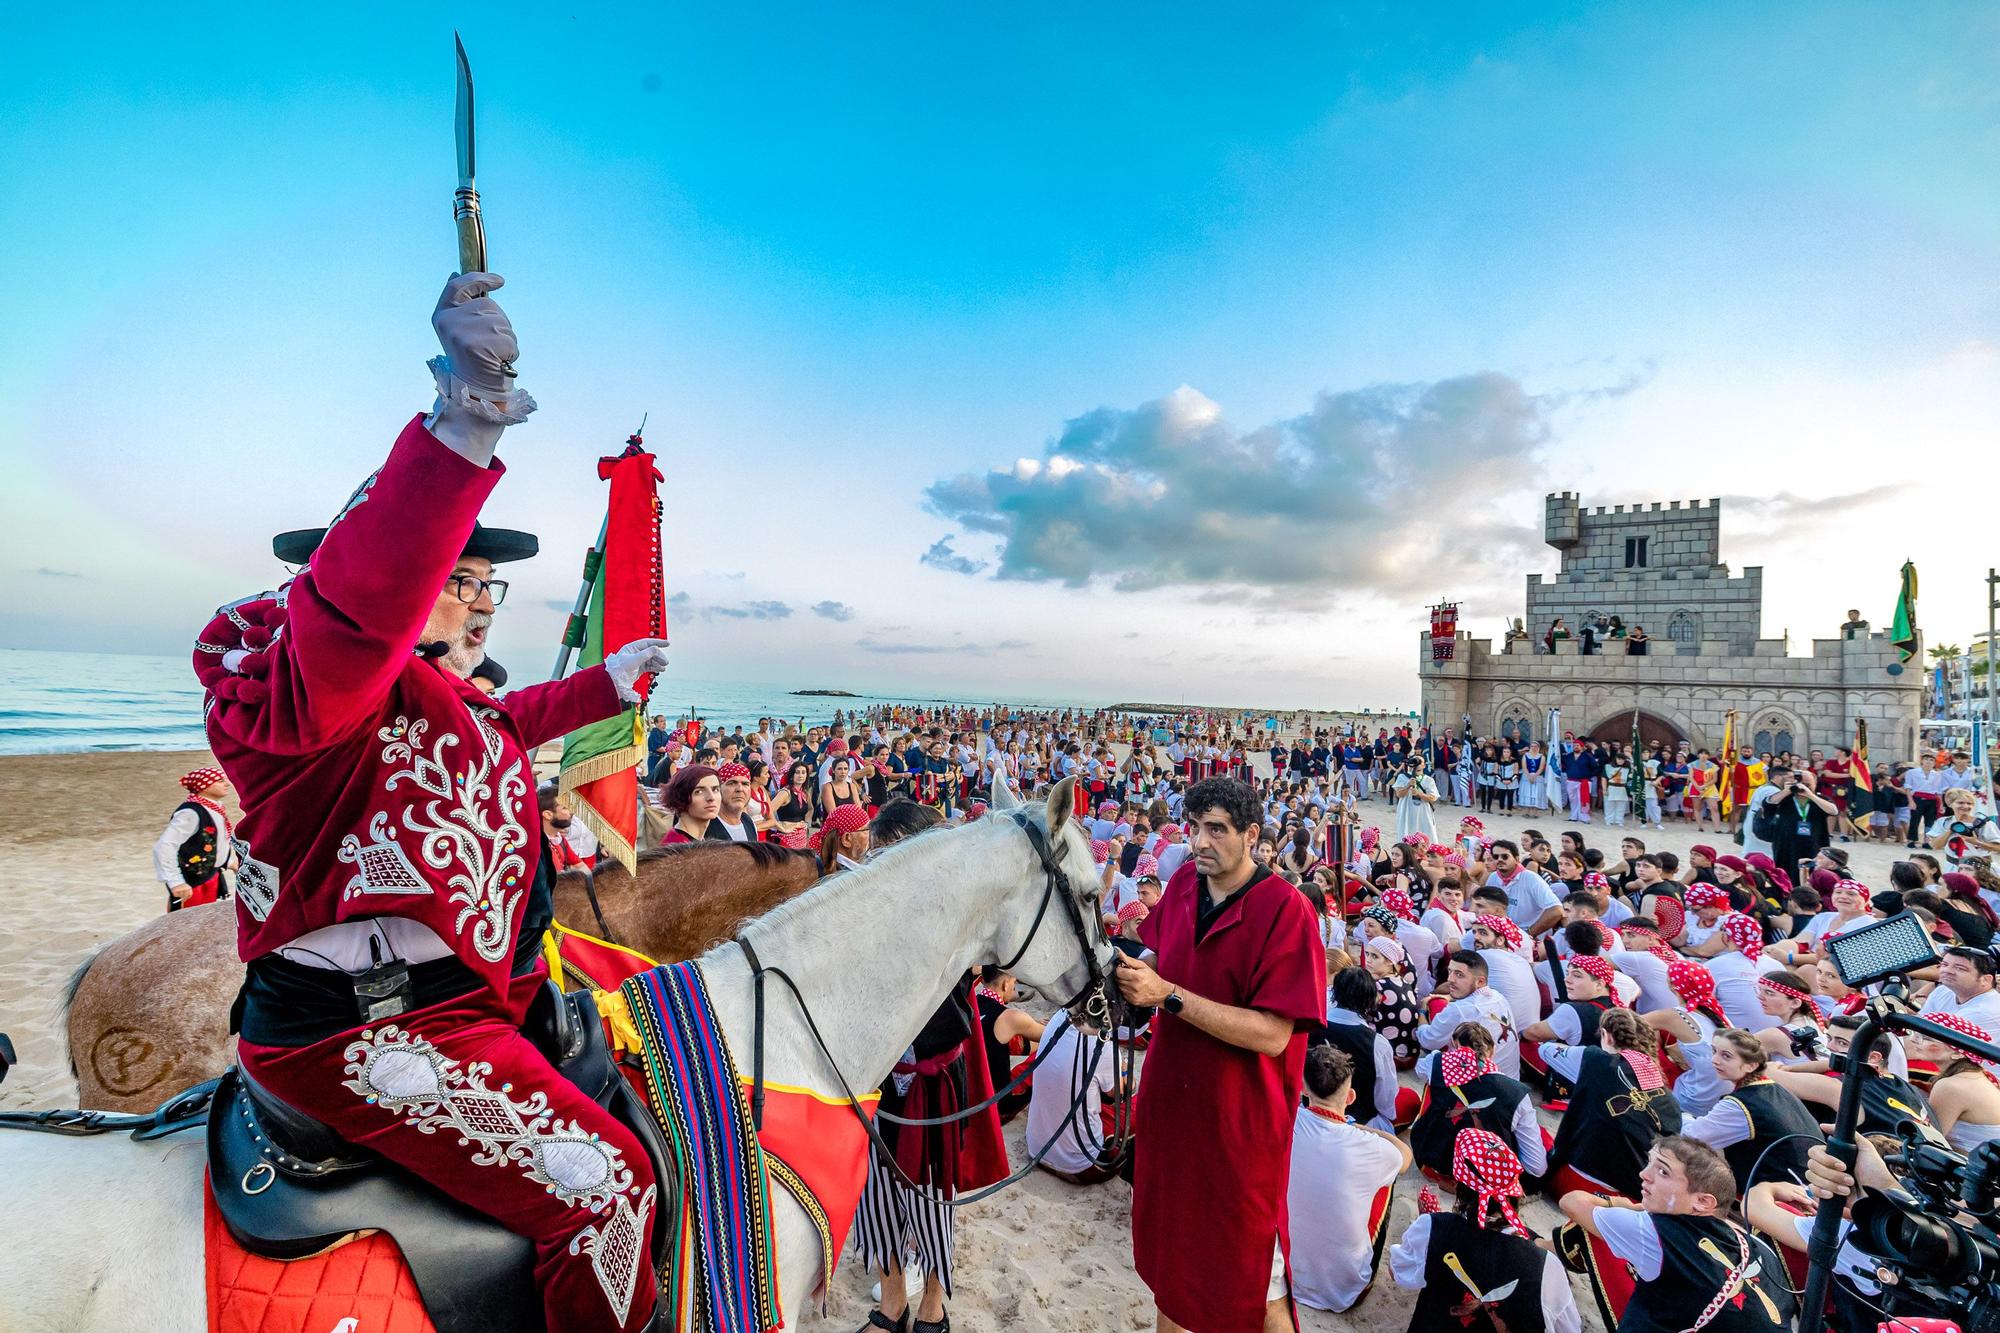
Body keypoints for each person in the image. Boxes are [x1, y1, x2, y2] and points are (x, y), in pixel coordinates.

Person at [211, 273, 672, 1333]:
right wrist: (461, 421)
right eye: (454, 577)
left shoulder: (453, 699)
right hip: (359, 1034)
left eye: (483, 585)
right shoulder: (298, 687)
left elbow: (508, 725)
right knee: (607, 1193)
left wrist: (607, 684)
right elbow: (358, 611)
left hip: (459, 1004)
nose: (474, 600)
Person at [1116, 777, 1328, 1333]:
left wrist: (1170, 997)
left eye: (1216, 830)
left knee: (1255, 1273)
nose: (1199, 842)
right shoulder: (1185, 880)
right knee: (1173, 1260)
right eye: (1193, 828)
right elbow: (1159, 955)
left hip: (1241, 1122)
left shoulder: (1287, 912)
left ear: (1251, 835)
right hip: (1171, 1105)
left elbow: (1273, 1034)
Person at [852, 800, 1006, 1333]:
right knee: (879, 1192)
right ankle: (892, 1304)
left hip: (933, 1078)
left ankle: (933, 1307)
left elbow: (982, 979)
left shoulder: (956, 920)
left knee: (935, 1197)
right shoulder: (869, 911)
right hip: (878, 1076)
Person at [1560, 1137, 1795, 1332]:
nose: (1644, 1174)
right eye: (1649, 1163)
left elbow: (1571, 1202)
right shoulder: (1756, 1245)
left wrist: (1622, 1204)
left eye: (1662, 1171)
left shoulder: (1656, 1231)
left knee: (1596, 1230)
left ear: (1702, 1202)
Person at [1390, 1129, 1582, 1333]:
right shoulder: (1547, 1266)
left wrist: (1431, 1226)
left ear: (1458, 1185)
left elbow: (1399, 1272)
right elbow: (1569, 1327)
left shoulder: (1432, 1227)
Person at [1284, 1046, 1411, 1313]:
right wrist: (1357, 1127)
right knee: (1387, 1180)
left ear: (1304, 1089)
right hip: (1344, 1290)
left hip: (1280, 1269)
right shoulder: (1370, 1147)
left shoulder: (1286, 1119)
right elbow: (1404, 1157)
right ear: (1350, 1097)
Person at [1679, 1028, 1824, 1194]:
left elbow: (1692, 1136)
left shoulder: (1741, 1104)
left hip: (1785, 1192)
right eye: (1714, 1052)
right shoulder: (1773, 1087)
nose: (1714, 1060)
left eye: (1726, 1056)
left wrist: (1681, 1114)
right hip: (1806, 1179)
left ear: (1751, 1065)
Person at [1409, 1023, 1544, 1181]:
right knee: (1532, 1133)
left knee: (1434, 1087)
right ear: (1492, 1051)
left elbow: (1419, 1070)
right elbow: (1536, 1167)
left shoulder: (1437, 1062)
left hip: (1434, 1161)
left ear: (1453, 1044)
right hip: (1484, 1176)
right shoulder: (1517, 1094)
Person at [1024, 1003, 1126, 1185]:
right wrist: (1125, 1074)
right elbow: (1116, 1095)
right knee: (1134, 1110)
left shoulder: (1057, 1018)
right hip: (1082, 1166)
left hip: (1036, 1149)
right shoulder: (1105, 1047)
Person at [1417, 950, 1522, 1078]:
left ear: (1480, 982)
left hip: (1479, 1084)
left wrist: (1423, 1010)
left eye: (1459, 975)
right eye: (1450, 972)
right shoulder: (1499, 997)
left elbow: (1427, 1041)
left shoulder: (1458, 1010)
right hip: (1511, 1079)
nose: (1450, 979)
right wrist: (1449, 997)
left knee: (1425, 1064)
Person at [152, 765, 238, 911]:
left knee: (207, 919)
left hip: (211, 875)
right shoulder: (190, 813)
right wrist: (176, 882)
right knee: (184, 923)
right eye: (219, 780)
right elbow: (165, 846)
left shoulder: (215, 807)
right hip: (191, 881)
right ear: (203, 786)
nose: (227, 783)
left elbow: (216, 841)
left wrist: (228, 862)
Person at [974, 966, 1042, 1123]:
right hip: (997, 1105)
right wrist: (1031, 1024)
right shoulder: (1011, 1017)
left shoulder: (972, 1004)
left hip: (972, 1097)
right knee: (1047, 1053)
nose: (1015, 984)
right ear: (1005, 984)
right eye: (1014, 980)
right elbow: (1051, 1036)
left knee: (998, 1039)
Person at [1920, 943, 2000, 1029]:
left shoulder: (1984, 1012)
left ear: (1985, 980)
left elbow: (1930, 1039)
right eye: (1945, 964)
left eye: (1960, 968)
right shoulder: (1943, 990)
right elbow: (1919, 1024)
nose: (1947, 970)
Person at [658, 763, 722, 843]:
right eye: (699, 791)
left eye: (715, 789)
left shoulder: (695, 841)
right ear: (680, 797)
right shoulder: (676, 848)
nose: (711, 798)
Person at [1391, 755, 1440, 843]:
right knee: (1406, 832)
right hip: (1407, 811)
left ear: (1424, 765)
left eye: (1419, 762)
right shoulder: (1403, 777)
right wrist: (1408, 785)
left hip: (1423, 812)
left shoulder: (1429, 780)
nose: (1417, 764)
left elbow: (1433, 798)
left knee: (1426, 833)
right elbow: (1399, 794)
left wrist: (1419, 794)